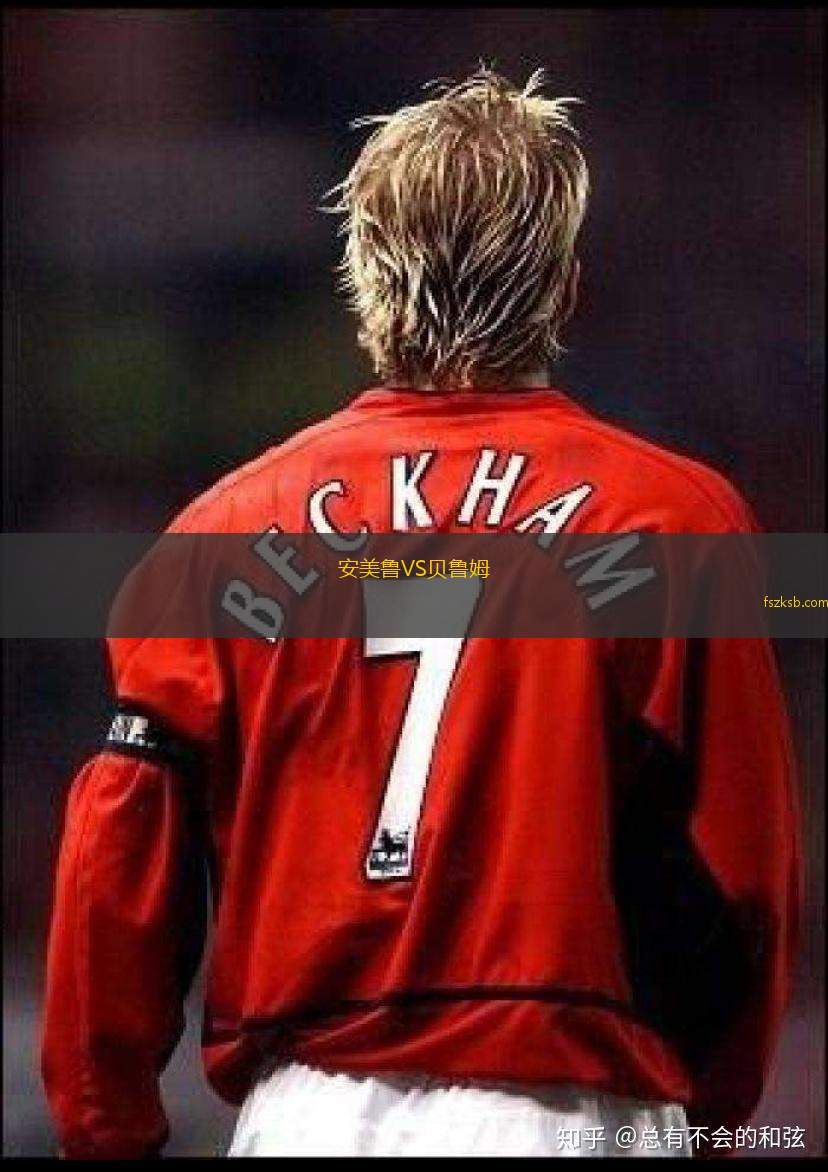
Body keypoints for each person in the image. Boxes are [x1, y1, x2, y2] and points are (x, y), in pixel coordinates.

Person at [42, 68, 800, 1159]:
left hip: (307, 1116)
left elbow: (114, 861)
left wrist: (104, 1129)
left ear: (363, 276)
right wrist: (710, 1111)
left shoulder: (218, 534)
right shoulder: (679, 523)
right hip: (576, 1109)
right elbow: (747, 876)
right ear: (565, 288)